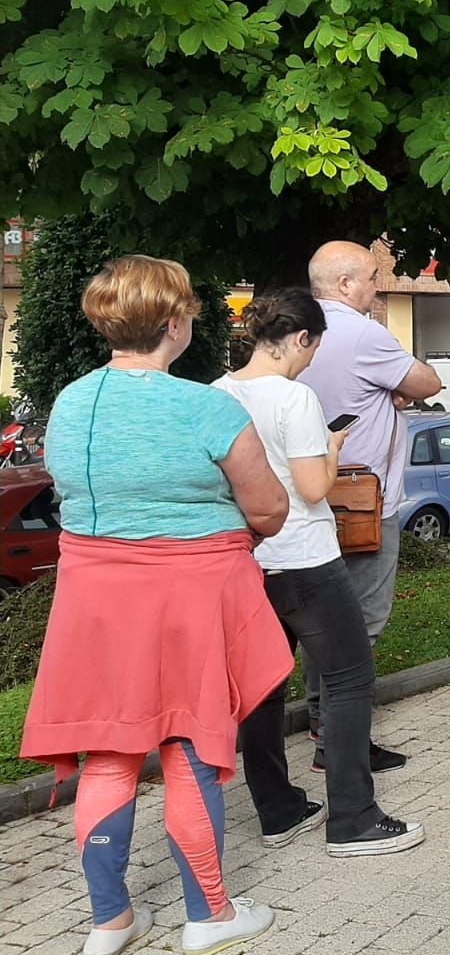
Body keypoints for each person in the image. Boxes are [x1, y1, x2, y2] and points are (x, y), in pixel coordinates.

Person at [22, 256, 291, 955]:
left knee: (109, 754)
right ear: (174, 324)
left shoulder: (72, 403)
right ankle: (209, 916)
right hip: (190, 599)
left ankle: (108, 925)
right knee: (190, 750)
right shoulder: (206, 407)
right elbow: (268, 510)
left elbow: (72, 498)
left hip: (94, 601)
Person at [218, 288, 426, 859]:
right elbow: (313, 488)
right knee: (349, 678)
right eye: (314, 349)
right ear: (302, 339)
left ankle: (278, 809)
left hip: (250, 561)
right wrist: (333, 446)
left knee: (261, 685)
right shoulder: (295, 398)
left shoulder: (218, 393)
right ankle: (354, 817)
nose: (312, 361)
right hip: (307, 560)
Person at [299, 241, 443, 771]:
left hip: (311, 495)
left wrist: (383, 393)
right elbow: (428, 381)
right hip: (364, 502)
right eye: (371, 277)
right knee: (363, 620)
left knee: (319, 618)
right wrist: (394, 390)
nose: (377, 286)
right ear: (344, 285)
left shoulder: (300, 331)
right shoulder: (362, 333)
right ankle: (340, 742)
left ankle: (320, 724)